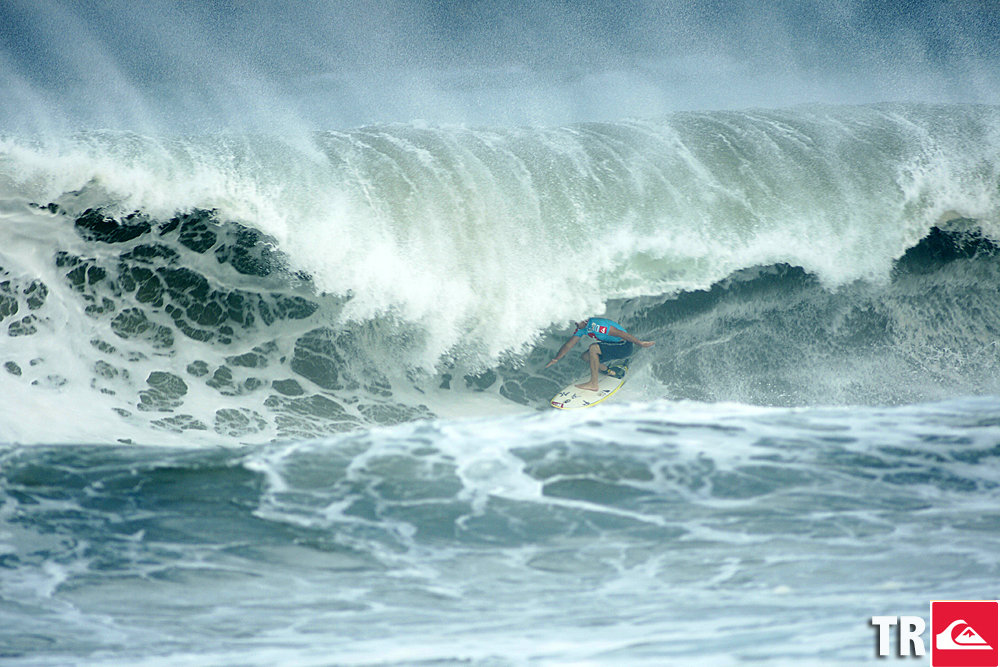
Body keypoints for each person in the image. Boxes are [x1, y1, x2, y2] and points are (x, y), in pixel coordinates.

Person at [545, 317, 655, 391]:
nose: (576, 323)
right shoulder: (583, 328)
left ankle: (594, 383)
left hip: (624, 346)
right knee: (585, 356)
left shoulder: (598, 326)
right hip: (613, 345)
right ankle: (610, 372)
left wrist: (640, 343)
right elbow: (569, 345)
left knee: (593, 348)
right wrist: (556, 358)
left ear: (585, 320)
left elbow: (621, 333)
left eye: (577, 321)